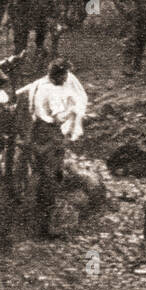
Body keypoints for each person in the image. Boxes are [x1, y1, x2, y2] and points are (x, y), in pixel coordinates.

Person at [18, 58, 87, 238]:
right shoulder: (53, 92)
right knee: (50, 178)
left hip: (36, 131)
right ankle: (45, 227)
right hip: (49, 134)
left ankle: (30, 221)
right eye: (65, 76)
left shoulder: (38, 85)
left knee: (38, 173)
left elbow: (23, 98)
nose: (66, 80)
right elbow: (58, 117)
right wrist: (72, 112)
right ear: (60, 75)